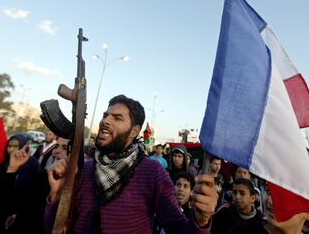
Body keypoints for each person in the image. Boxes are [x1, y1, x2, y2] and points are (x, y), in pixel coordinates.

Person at [45, 95, 218, 233]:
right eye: (105, 115)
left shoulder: (152, 172)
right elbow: (54, 227)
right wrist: (58, 195)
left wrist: (201, 221)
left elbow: (178, 228)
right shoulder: (84, 169)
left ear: (134, 131)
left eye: (117, 118)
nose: (106, 121)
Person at [0, 133, 47, 234]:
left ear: (24, 146)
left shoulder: (33, 164)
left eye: (15, 146)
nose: (11, 149)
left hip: (17, 214)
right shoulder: (4, 163)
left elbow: (34, 192)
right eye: (9, 146)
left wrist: (18, 215)